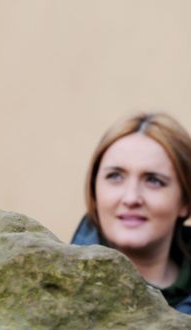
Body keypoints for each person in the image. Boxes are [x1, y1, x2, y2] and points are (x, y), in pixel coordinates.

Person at [71, 112, 191, 314]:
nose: (131, 198)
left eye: (154, 180)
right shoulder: (50, 294)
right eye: (115, 176)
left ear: (185, 201)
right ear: (95, 191)